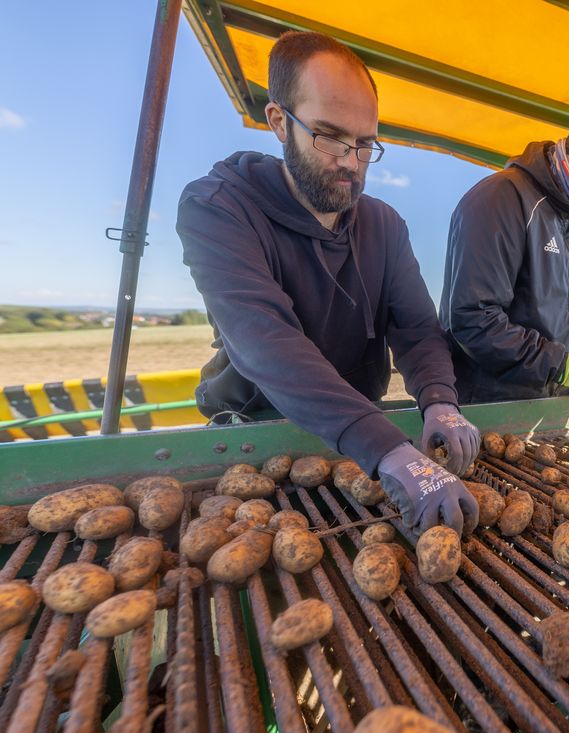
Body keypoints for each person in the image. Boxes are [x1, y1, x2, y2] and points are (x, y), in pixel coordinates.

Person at [178, 32, 479, 537]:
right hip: (259, 437)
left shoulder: (385, 225)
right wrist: (388, 450)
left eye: (364, 144)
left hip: (362, 434)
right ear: (278, 121)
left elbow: (417, 329)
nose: (349, 160)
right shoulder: (220, 208)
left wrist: (440, 400)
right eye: (329, 136)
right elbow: (266, 342)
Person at [439, 96, 569, 412]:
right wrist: (565, 368)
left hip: (545, 414)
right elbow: (474, 318)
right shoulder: (502, 198)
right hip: (486, 412)